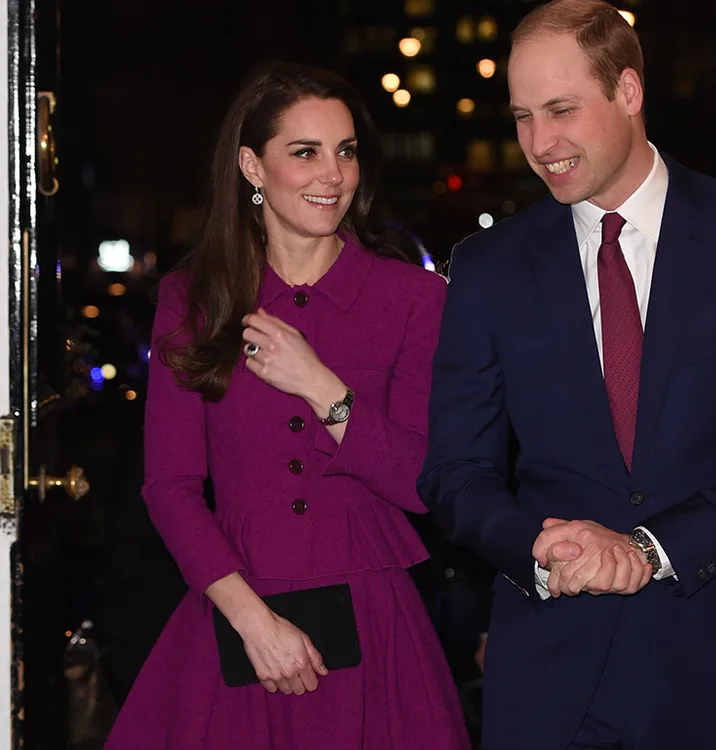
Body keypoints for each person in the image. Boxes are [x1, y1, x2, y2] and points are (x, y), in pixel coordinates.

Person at [417, 2, 716, 749]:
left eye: (561, 109)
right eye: (522, 117)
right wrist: (537, 547)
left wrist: (646, 548)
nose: (540, 143)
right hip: (551, 680)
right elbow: (455, 472)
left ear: (629, 92)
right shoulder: (487, 268)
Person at [105, 61, 469, 750]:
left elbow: (426, 482)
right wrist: (253, 622)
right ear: (251, 164)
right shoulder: (195, 299)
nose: (332, 175)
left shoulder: (415, 301)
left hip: (374, 619)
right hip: (236, 610)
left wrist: (321, 385)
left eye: (346, 150)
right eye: (305, 152)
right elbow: (170, 486)